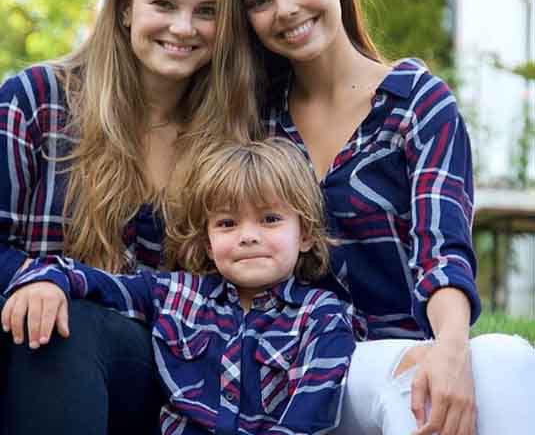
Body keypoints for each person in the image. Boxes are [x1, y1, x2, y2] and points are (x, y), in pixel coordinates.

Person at [229, 0, 535, 435]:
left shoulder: (418, 101)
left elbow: (443, 249)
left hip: (411, 349)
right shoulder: (256, 123)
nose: (285, 9)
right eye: (260, 1)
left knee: (505, 359)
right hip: (299, 367)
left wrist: (452, 353)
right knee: (409, 385)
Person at [0, 0, 260, 435]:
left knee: (74, 330)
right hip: (37, 359)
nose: (183, 28)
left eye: (206, 12)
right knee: (59, 328)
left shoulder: (238, 135)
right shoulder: (36, 103)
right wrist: (35, 280)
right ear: (124, 7)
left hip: (174, 375)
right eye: (164, 5)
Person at [2, 138, 356, 435]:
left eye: (270, 219)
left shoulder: (321, 317)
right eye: (228, 223)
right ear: (207, 242)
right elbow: (99, 284)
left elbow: (309, 414)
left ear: (306, 234)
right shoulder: (176, 294)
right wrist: (49, 280)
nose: (248, 236)